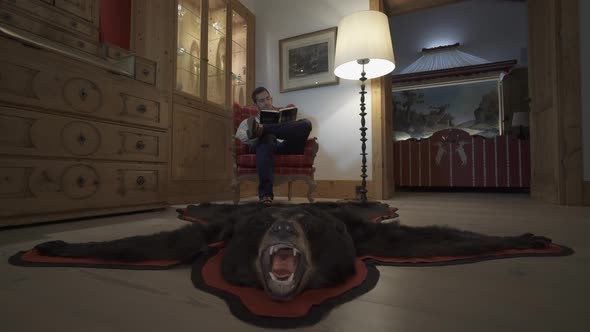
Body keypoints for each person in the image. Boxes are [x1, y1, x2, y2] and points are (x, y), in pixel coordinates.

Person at [235, 87, 312, 205]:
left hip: (283, 147)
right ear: (256, 104)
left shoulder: (282, 118)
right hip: (263, 147)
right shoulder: (249, 121)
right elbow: (240, 138)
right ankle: (266, 194)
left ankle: (265, 129)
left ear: (271, 99)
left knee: (306, 123)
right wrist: (256, 134)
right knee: (268, 137)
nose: (266, 102)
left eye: (268, 98)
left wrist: (265, 128)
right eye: (261, 101)